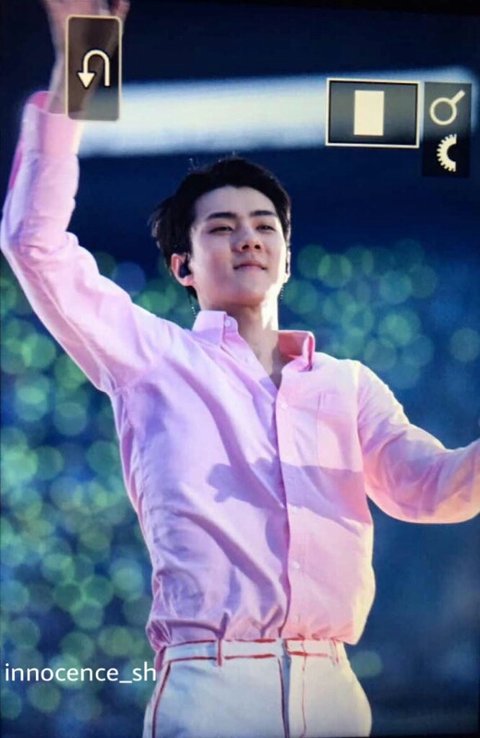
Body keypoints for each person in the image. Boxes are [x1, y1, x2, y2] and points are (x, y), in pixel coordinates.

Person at [1, 1, 478, 737]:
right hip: (212, 688)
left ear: (286, 257)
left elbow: (434, 488)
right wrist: (84, 64)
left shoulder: (348, 386)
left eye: (264, 227)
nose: (247, 240)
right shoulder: (153, 360)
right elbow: (35, 245)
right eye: (221, 228)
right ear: (183, 267)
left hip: (335, 692)